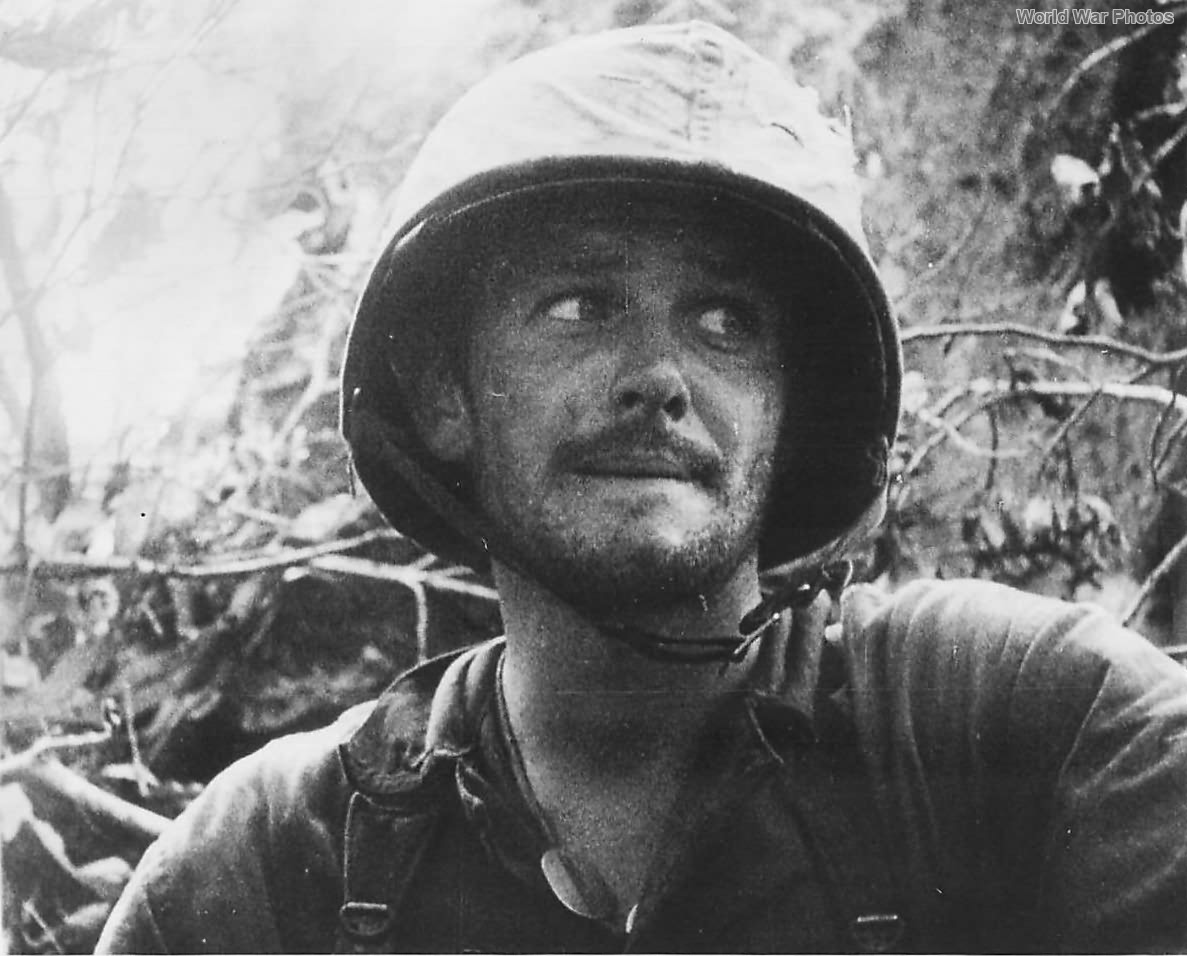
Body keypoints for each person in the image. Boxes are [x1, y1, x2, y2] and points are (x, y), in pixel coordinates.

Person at [97, 20, 1187, 954]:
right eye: (579, 305)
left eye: (724, 323)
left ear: (786, 406)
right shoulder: (268, 871)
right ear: (444, 395)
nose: (661, 378)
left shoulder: (1023, 728)